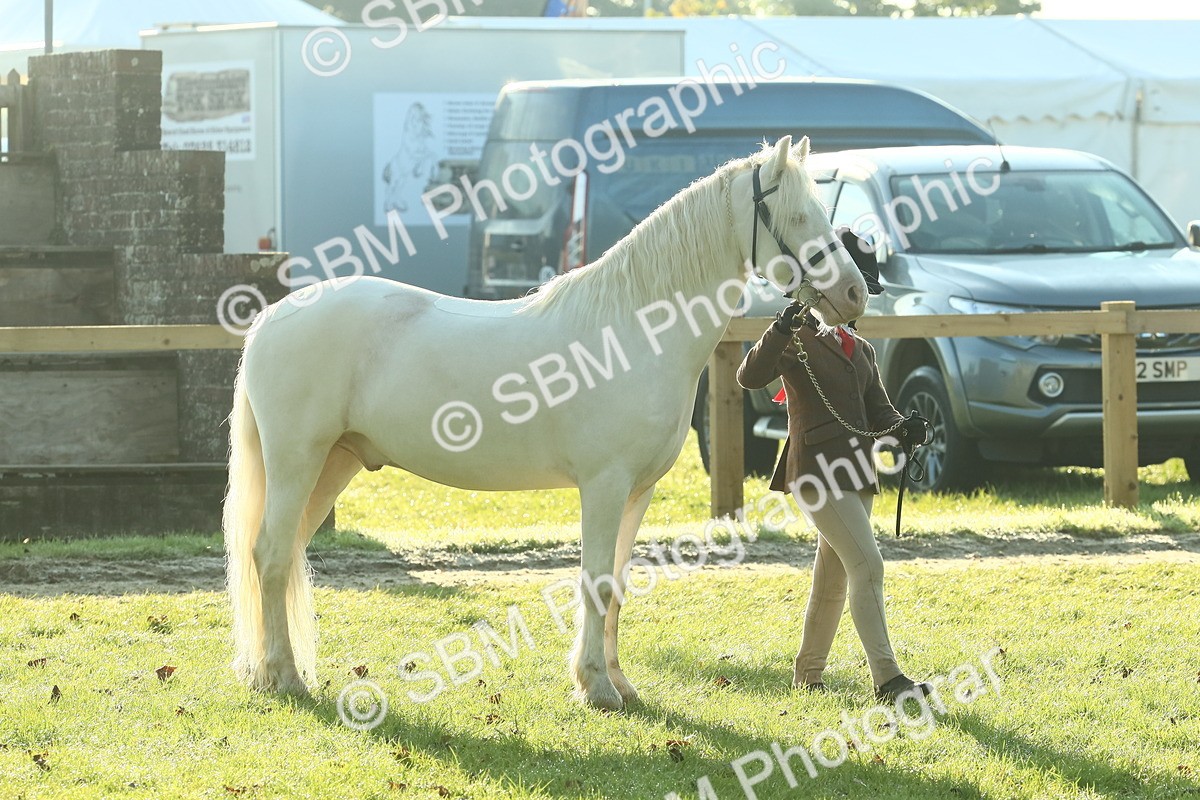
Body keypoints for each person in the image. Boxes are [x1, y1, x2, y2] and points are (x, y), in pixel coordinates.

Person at [736, 229, 932, 702]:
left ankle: (808, 676)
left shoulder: (861, 349)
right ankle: (888, 679)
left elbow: (878, 411)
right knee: (868, 564)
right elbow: (750, 376)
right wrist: (781, 325)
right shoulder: (796, 336)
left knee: (834, 577)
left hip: (858, 475)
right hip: (817, 473)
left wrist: (905, 427)